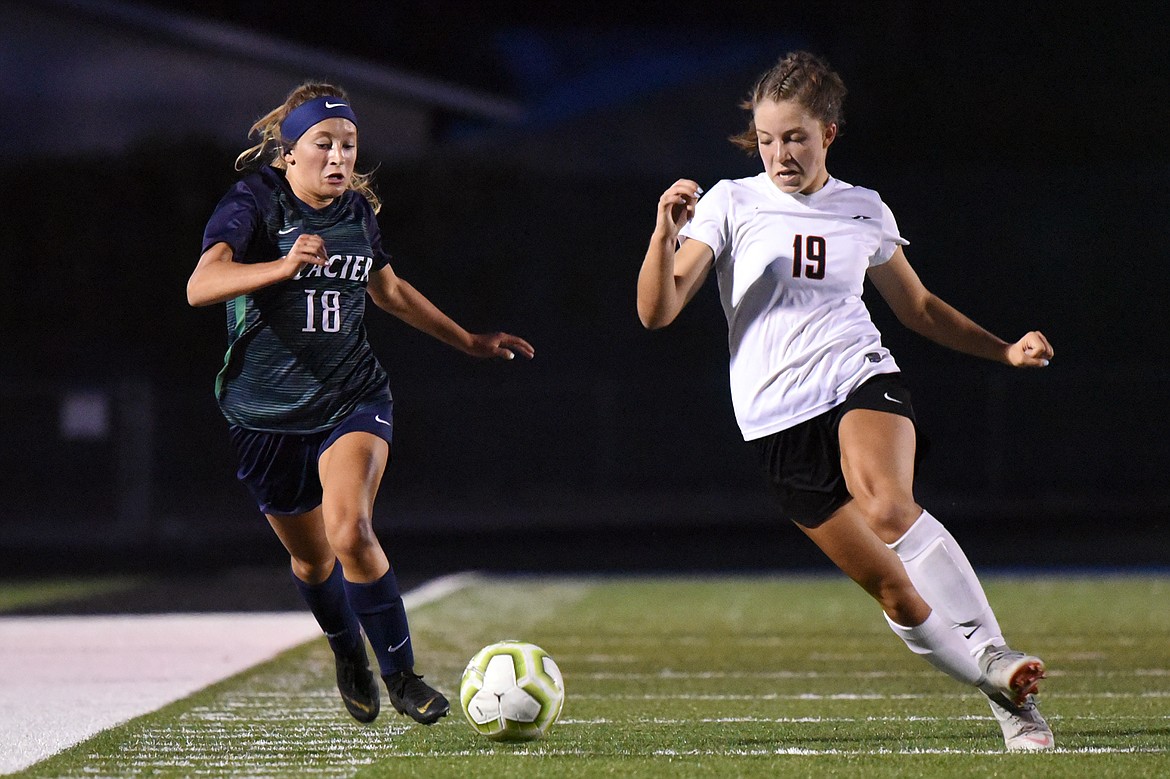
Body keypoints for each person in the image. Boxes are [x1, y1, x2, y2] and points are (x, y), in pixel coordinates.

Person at [636, 51, 1055, 751]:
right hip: (775, 423)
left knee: (886, 500)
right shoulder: (730, 203)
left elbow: (917, 307)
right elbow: (657, 311)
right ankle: (1004, 695)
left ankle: (999, 658)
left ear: (828, 133)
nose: (779, 153)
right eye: (767, 140)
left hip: (857, 376)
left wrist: (1004, 348)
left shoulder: (863, 208)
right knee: (898, 594)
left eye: (794, 137)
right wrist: (662, 233)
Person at [187, 82, 534, 726]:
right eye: (324, 144)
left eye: (349, 144)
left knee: (351, 531)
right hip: (264, 413)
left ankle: (402, 677)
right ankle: (347, 649)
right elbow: (201, 285)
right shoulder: (254, 202)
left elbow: (389, 290)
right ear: (289, 154)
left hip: (352, 393)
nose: (339, 157)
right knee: (312, 559)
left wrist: (469, 340)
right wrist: (282, 267)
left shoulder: (355, 213)